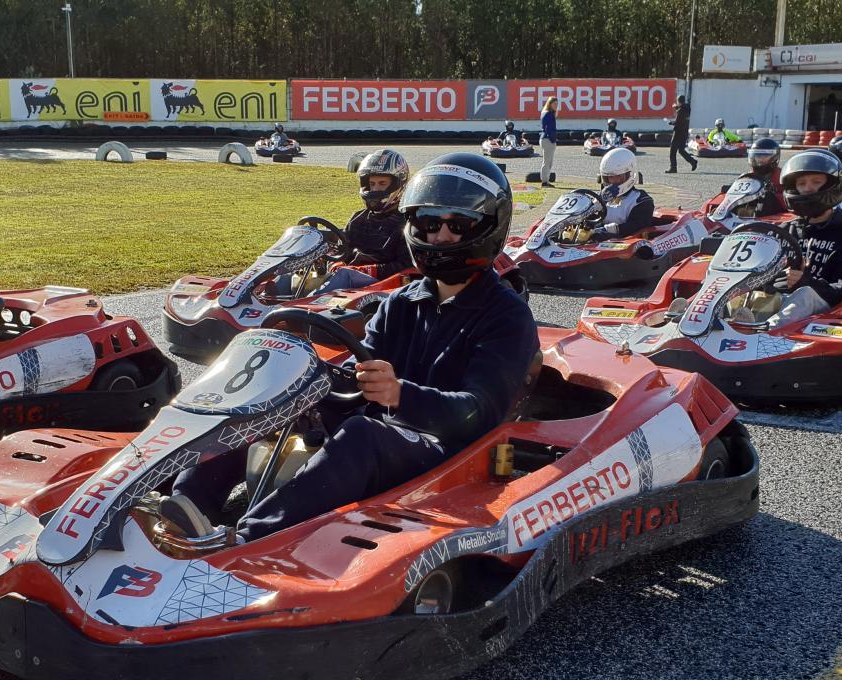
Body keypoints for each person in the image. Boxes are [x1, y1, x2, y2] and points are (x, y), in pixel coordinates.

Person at [163, 153, 540, 541]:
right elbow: (360, 374)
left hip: (452, 449)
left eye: (457, 225)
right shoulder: (401, 303)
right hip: (389, 424)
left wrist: (400, 395)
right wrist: (301, 386)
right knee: (265, 401)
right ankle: (187, 503)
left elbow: (481, 412)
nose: (440, 237)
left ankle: (250, 535)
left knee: (363, 434)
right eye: (429, 224)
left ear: (489, 227)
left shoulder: (506, 316)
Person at [767, 150, 842, 327]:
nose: (807, 188)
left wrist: (807, 282)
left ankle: (763, 333)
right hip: (780, 301)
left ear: (833, 185)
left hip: (827, 305)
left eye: (816, 182)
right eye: (801, 183)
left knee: (805, 293)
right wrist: (771, 279)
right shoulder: (784, 232)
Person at [317, 149, 412, 292]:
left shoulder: (407, 223)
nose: (375, 189)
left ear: (398, 184)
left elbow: (405, 265)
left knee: (345, 274)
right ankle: (273, 301)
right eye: (372, 183)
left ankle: (301, 308)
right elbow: (342, 250)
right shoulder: (358, 219)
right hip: (349, 282)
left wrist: (364, 270)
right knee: (295, 274)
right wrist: (334, 262)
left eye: (382, 183)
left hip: (383, 285)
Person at [591, 147, 656, 241]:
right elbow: (588, 220)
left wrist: (604, 230)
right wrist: (597, 204)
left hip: (624, 245)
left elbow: (636, 226)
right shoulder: (600, 198)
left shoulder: (641, 200)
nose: (613, 181)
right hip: (596, 241)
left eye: (618, 176)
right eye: (609, 177)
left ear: (630, 174)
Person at [734, 137, 786, 216]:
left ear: (774, 157)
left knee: (768, 197)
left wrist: (770, 194)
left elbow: (789, 198)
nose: (761, 160)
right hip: (751, 209)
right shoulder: (746, 176)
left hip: (774, 212)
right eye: (758, 156)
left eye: (765, 156)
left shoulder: (782, 177)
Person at [666, 94, 698, 173]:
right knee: (681, 150)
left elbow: (678, 122)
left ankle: (673, 167)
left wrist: (671, 123)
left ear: (679, 101)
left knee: (672, 151)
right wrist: (676, 107)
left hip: (678, 133)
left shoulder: (680, 111)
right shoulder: (687, 109)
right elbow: (682, 110)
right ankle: (693, 161)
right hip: (684, 133)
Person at [539, 98, 558, 187]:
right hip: (548, 139)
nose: (556, 106)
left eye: (556, 104)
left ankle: (546, 180)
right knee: (547, 162)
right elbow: (549, 129)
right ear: (549, 104)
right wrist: (553, 139)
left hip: (545, 139)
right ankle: (544, 181)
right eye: (554, 104)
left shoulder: (544, 113)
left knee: (549, 162)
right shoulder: (549, 114)